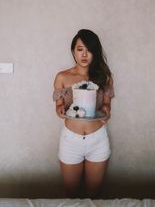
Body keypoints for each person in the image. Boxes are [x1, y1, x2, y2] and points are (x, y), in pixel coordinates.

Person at [53, 29, 114, 198]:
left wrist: (106, 111)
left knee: (94, 195)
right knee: (71, 194)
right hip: (71, 140)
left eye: (89, 50)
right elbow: (59, 107)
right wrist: (60, 109)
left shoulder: (104, 77)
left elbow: (107, 105)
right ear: (74, 51)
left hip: (98, 139)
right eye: (80, 49)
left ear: (95, 52)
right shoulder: (62, 77)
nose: (84, 54)